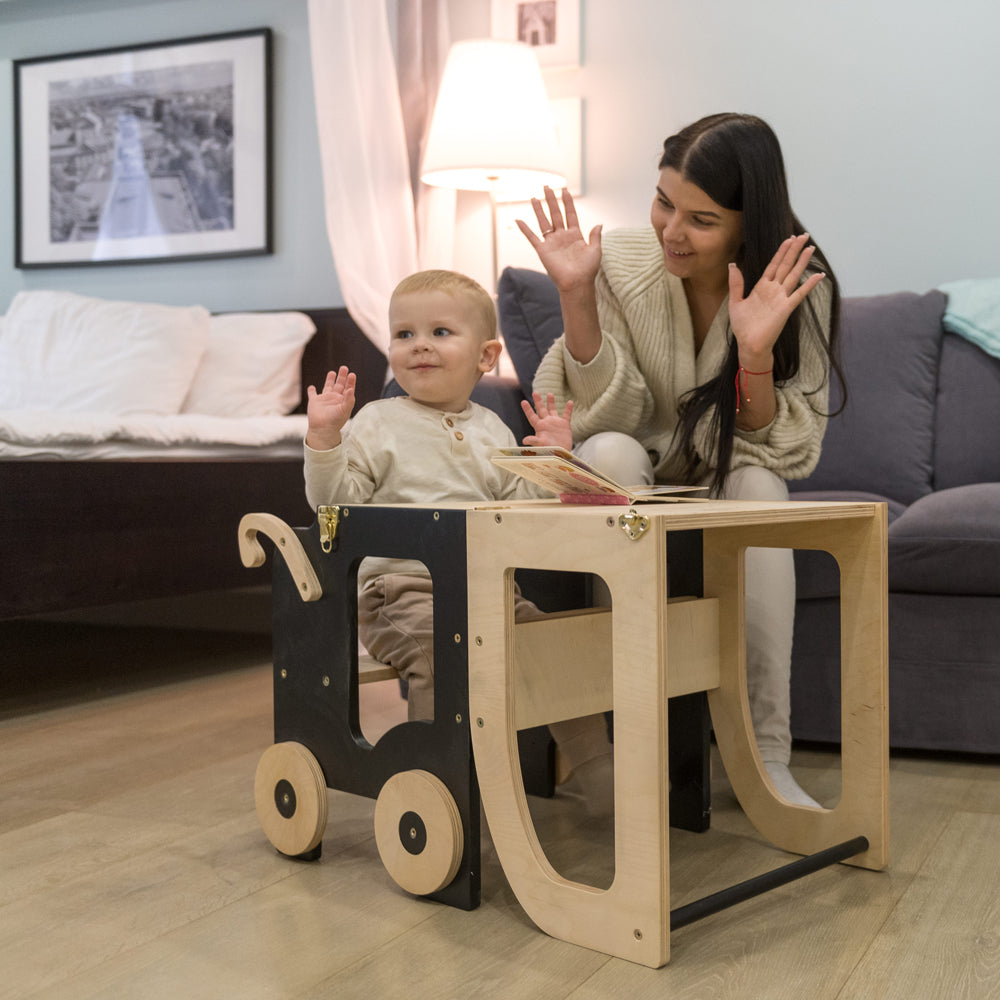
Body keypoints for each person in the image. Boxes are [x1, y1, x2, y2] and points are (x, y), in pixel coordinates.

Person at [517, 113, 844, 808]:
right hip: (635, 465)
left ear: (746, 223)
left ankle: (768, 756)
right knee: (606, 451)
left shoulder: (799, 286)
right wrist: (576, 293)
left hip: (730, 473)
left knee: (758, 483)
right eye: (664, 201)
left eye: (701, 218)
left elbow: (783, 443)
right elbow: (605, 413)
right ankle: (634, 737)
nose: (671, 230)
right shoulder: (625, 263)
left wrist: (753, 353)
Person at [304, 269, 615, 814]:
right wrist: (326, 438)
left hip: (488, 590)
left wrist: (553, 460)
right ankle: (437, 785)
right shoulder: (377, 422)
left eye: (440, 332)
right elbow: (334, 506)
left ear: (486, 356)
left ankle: (599, 771)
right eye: (404, 334)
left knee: (556, 649)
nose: (419, 344)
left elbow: (523, 509)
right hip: (401, 592)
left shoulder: (493, 429)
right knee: (441, 659)